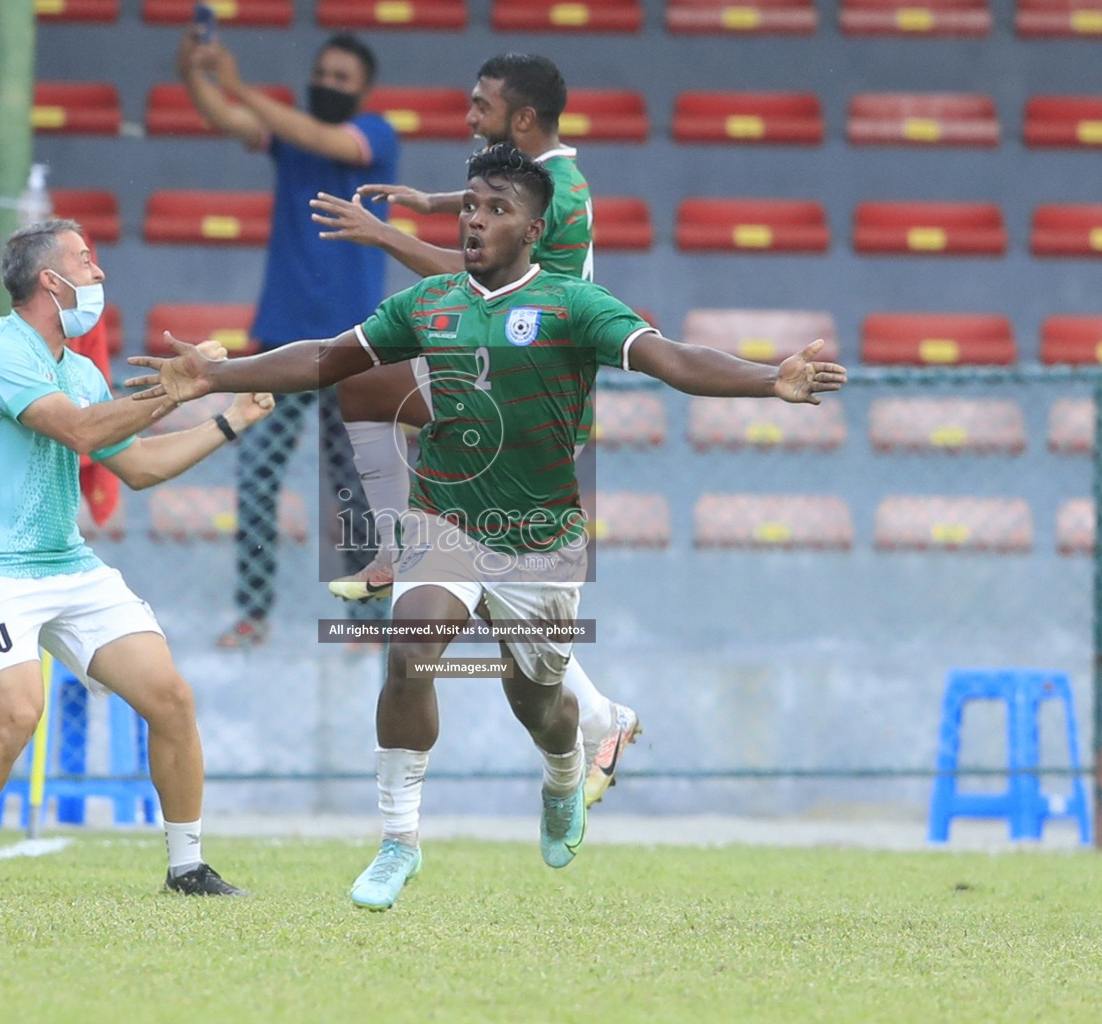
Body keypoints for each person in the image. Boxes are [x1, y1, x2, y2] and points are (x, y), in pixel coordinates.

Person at [126, 145, 847, 909]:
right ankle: (397, 842)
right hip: (445, 520)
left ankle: (564, 772)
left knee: (535, 701)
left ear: (533, 230)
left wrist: (770, 378)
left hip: (539, 542)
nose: (474, 219)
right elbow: (327, 359)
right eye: (470, 205)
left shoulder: (575, 305)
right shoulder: (429, 302)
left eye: (496, 209)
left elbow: (672, 359)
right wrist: (216, 375)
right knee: (409, 653)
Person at [309, 54, 636, 808]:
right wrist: (430, 196)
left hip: (533, 399)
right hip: (489, 376)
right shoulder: (539, 171)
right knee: (363, 386)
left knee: (487, 589)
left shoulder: (565, 197)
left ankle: (600, 718)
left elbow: (473, 277)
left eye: (480, 104)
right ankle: (600, 717)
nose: (468, 112)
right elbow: (488, 202)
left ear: (522, 119)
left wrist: (384, 233)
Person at [0, 219, 274, 898]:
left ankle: (186, 867)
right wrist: (171, 390)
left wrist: (228, 420)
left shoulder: (80, 369)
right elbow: (81, 430)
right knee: (19, 713)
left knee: (170, 698)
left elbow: (135, 467)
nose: (100, 272)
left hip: (67, 564)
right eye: (86, 260)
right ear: (50, 281)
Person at [176, 30, 399, 649]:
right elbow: (231, 121)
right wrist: (196, 75)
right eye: (321, 71)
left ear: (363, 89)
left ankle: (368, 624)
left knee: (356, 490)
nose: (327, 82)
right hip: (279, 347)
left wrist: (238, 82)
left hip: (357, 348)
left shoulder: (376, 136)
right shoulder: (293, 141)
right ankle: (253, 615)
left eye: (341, 76)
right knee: (256, 477)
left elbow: (318, 136)